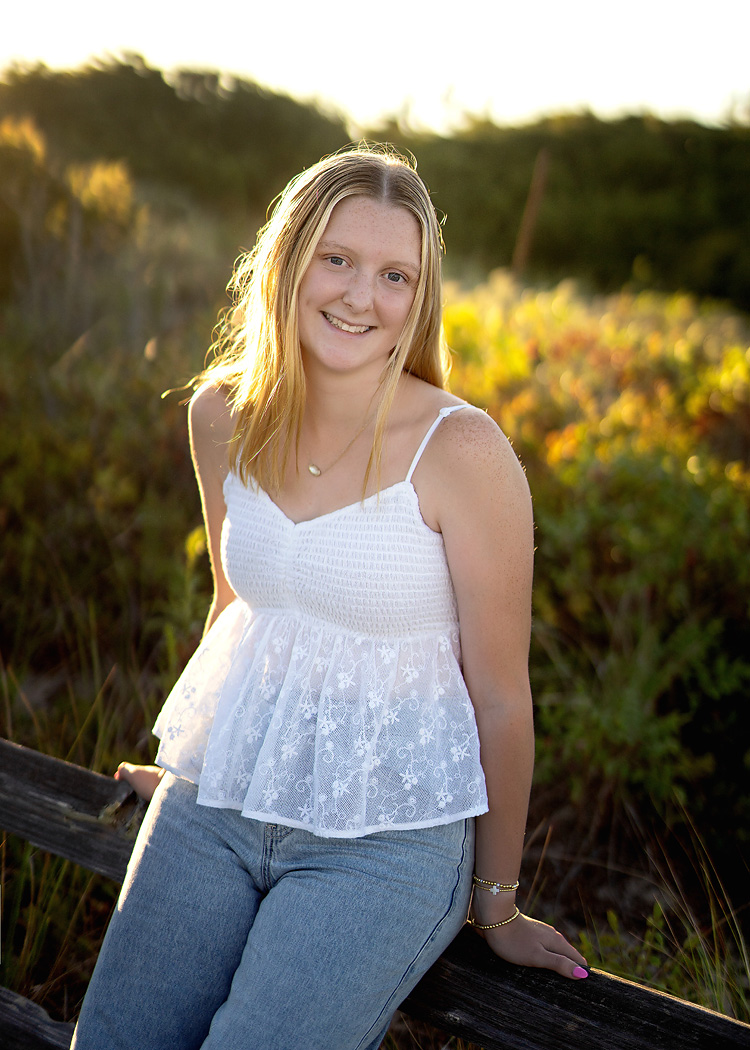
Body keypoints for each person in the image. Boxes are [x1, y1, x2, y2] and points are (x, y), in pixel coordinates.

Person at [72, 144, 587, 1050]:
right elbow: (238, 610)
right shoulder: (221, 414)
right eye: (337, 259)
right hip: (219, 799)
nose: (361, 297)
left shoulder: (464, 453)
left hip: (386, 841)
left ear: (420, 296)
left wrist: (497, 904)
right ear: (288, 261)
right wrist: (193, 756)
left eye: (395, 275)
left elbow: (503, 698)